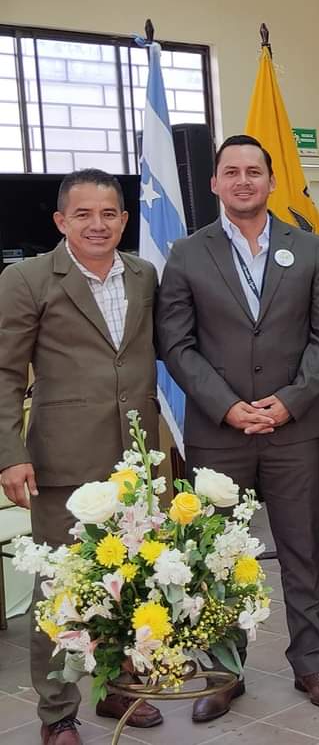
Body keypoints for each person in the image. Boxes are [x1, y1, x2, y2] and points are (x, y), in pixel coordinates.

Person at [156, 135, 319, 721]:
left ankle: (311, 663)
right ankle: (223, 671)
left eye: (254, 171)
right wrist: (227, 406)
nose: (244, 180)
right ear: (215, 182)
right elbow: (175, 343)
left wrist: (289, 402)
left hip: (293, 429)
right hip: (219, 432)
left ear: (270, 180)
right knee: (218, 554)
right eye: (232, 171)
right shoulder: (187, 254)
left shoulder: (309, 250)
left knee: (301, 550)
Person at [0, 169, 163, 745]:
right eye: (84, 214)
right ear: (61, 221)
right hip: (61, 462)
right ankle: (57, 713)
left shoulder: (143, 275)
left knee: (131, 582)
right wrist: (9, 454)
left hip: (136, 462)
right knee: (62, 592)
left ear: (124, 219)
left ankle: (119, 684)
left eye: (109, 213)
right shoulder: (26, 278)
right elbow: (5, 371)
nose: (98, 224)